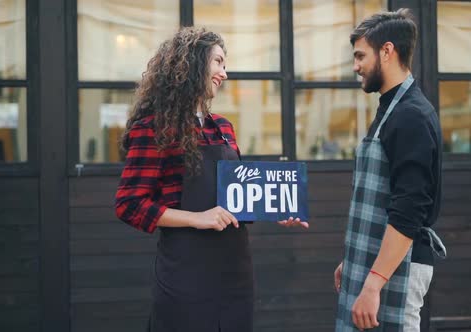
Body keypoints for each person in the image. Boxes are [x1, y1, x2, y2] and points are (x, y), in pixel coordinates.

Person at [115, 27, 308, 332]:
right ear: (192, 64)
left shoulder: (223, 127)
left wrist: (275, 207)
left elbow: (237, 199)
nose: (224, 73)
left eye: (225, 64)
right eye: (218, 62)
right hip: (186, 276)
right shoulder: (153, 128)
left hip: (235, 273)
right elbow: (129, 204)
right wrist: (196, 218)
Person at [333, 9, 447, 332]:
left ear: (387, 51)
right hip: (378, 266)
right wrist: (353, 260)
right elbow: (381, 198)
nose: (355, 66)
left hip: (400, 271)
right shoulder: (389, 108)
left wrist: (372, 285)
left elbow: (408, 210)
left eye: (360, 56)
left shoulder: (411, 116)